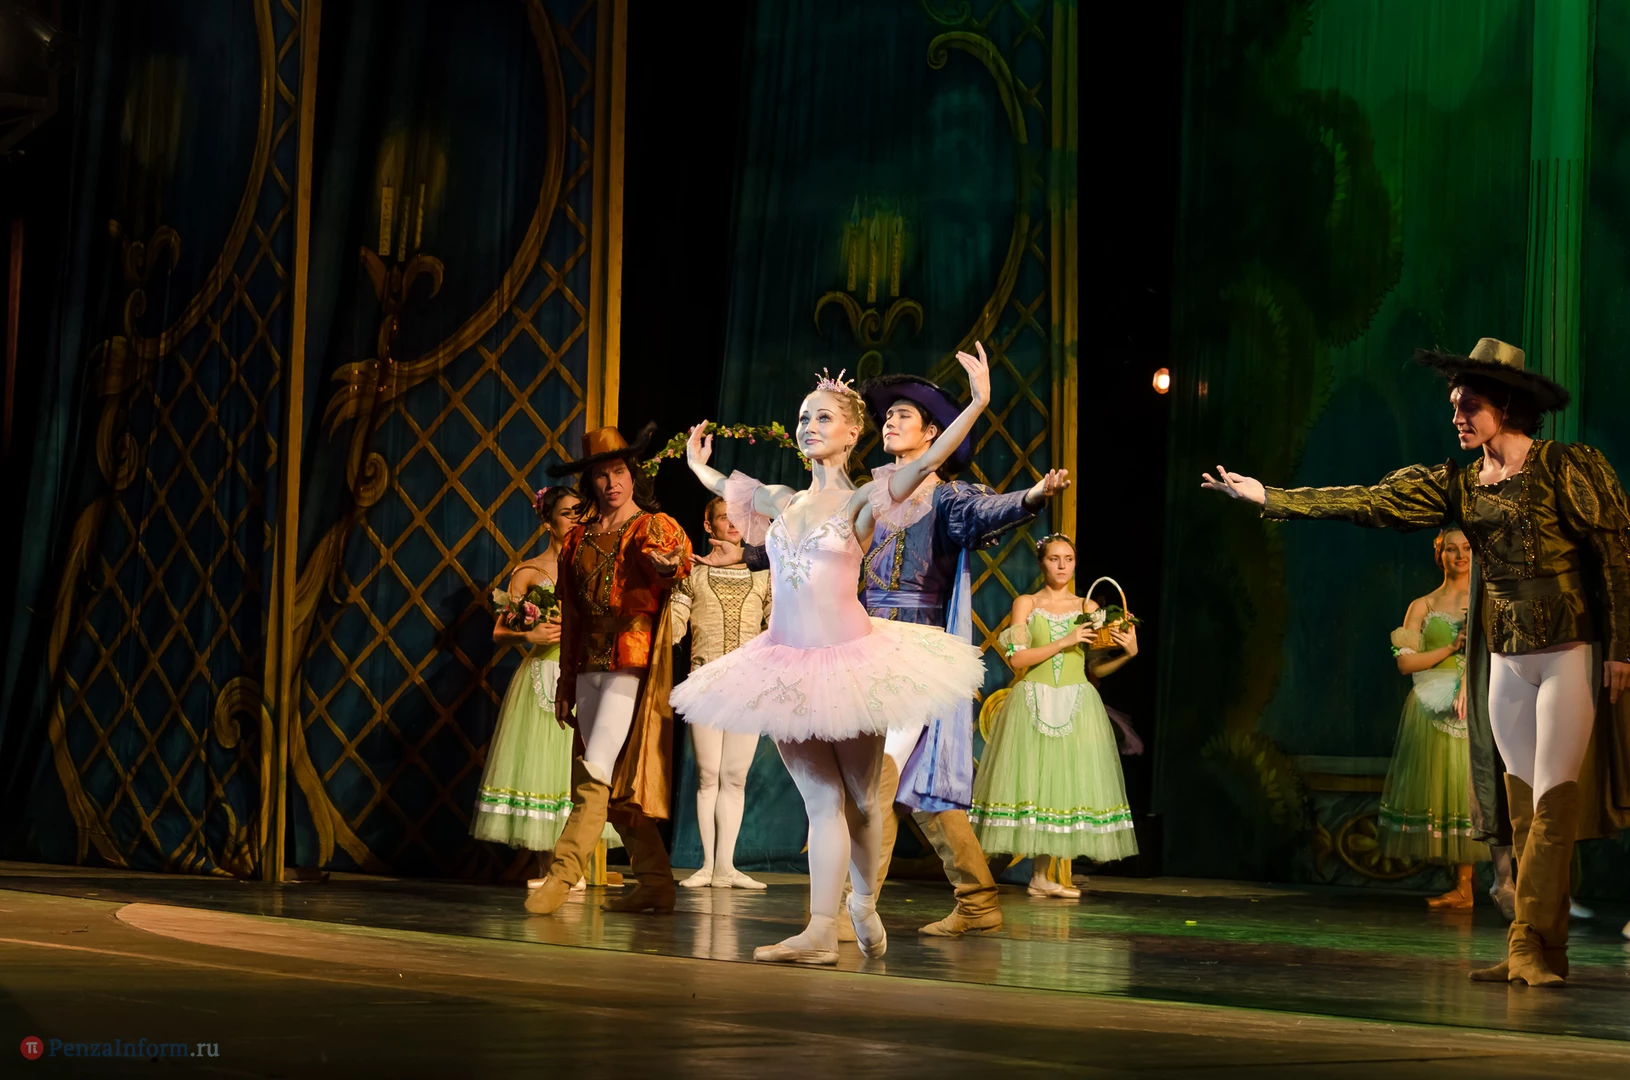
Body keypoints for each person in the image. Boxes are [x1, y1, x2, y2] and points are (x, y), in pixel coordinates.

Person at [1201, 337, 1630, 987]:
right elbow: (1371, 501)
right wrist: (1273, 499)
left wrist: (1621, 649)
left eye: (1469, 405)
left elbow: (1616, 556)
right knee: (1520, 810)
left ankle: (1529, 945)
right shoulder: (1461, 483)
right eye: (1453, 404)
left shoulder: (1564, 467)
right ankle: (1539, 949)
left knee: (1552, 804)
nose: (1456, 416)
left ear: (1506, 405)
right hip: (1505, 659)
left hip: (1567, 649)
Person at [671, 351, 992, 966]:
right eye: (803, 417)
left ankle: (863, 905)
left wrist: (976, 403)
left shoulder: (864, 500)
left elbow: (926, 462)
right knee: (820, 802)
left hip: (849, 664)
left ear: (851, 433)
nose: (809, 426)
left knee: (865, 800)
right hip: (785, 665)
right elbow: (726, 486)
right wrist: (696, 465)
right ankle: (820, 930)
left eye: (822, 417)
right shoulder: (782, 500)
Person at [845, 372, 1067, 936]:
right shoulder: (873, 494)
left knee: (877, 778)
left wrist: (1032, 496)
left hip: (917, 649)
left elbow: (987, 514)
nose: (890, 421)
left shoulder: (946, 497)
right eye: (888, 415)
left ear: (932, 434)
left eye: (904, 415)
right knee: (920, 788)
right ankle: (977, 899)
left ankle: (852, 909)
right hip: (868, 645)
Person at [524, 424, 692, 918]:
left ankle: (562, 876)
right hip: (588, 661)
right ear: (590, 482)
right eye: (601, 475)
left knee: (595, 769)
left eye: (618, 471)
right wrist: (565, 681)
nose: (611, 482)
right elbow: (573, 615)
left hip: (630, 658)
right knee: (612, 775)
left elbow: (670, 567)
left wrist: (667, 566)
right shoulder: (577, 539)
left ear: (631, 474)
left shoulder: (649, 528)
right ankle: (656, 883)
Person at [968, 534, 1140, 890]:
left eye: (1069, 559)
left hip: (1076, 701)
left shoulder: (1088, 607)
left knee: (1061, 786)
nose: (1062, 566)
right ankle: (993, 876)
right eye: (1054, 559)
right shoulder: (1026, 603)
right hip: (1034, 699)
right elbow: (1017, 659)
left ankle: (1041, 877)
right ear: (1041, 563)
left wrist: (1127, 654)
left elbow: (1095, 667)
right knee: (1033, 783)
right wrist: (1065, 641)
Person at [472, 487, 620, 885]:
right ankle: (550, 870)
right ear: (547, 520)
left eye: (581, 513)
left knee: (581, 768)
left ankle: (575, 867)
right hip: (543, 676)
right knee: (543, 768)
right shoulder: (530, 572)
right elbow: (500, 631)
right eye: (568, 513)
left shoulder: (594, 564)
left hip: (585, 675)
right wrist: (530, 635)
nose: (576, 520)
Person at [1381, 528, 1491, 909]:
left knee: (1472, 790)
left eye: (1467, 548)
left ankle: (1476, 886)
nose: (1460, 556)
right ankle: (1462, 886)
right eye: (1451, 549)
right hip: (1433, 703)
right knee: (1447, 789)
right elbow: (1405, 662)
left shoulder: (1487, 597)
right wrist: (1450, 646)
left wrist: (1469, 683)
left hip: (1475, 700)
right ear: (1439, 554)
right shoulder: (1423, 605)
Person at [670, 496, 773, 890]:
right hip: (706, 682)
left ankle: (726, 867)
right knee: (708, 774)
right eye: (723, 518)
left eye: (739, 518)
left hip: (748, 684)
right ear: (707, 525)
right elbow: (675, 624)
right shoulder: (693, 573)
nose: (732, 524)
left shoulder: (764, 575)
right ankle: (708, 865)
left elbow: (776, 624)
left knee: (734, 776)